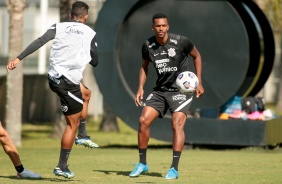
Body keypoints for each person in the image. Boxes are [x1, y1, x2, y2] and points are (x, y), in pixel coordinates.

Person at [6, 1, 98, 179]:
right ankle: (62, 166)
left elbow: (40, 41)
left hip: (55, 77)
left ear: (70, 15)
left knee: (86, 93)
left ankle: (83, 135)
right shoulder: (90, 33)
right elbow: (95, 61)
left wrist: (18, 58)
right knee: (72, 124)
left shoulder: (59, 26)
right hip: (66, 82)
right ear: (86, 18)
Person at [129, 13, 204, 179]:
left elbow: (197, 56)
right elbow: (144, 67)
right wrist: (140, 87)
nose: (161, 29)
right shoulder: (148, 45)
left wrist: (198, 81)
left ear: (167, 26)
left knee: (176, 123)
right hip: (160, 91)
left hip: (181, 91)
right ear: (153, 27)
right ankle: (142, 164)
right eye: (158, 26)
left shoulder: (181, 42)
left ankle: (174, 169)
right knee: (143, 121)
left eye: (164, 26)